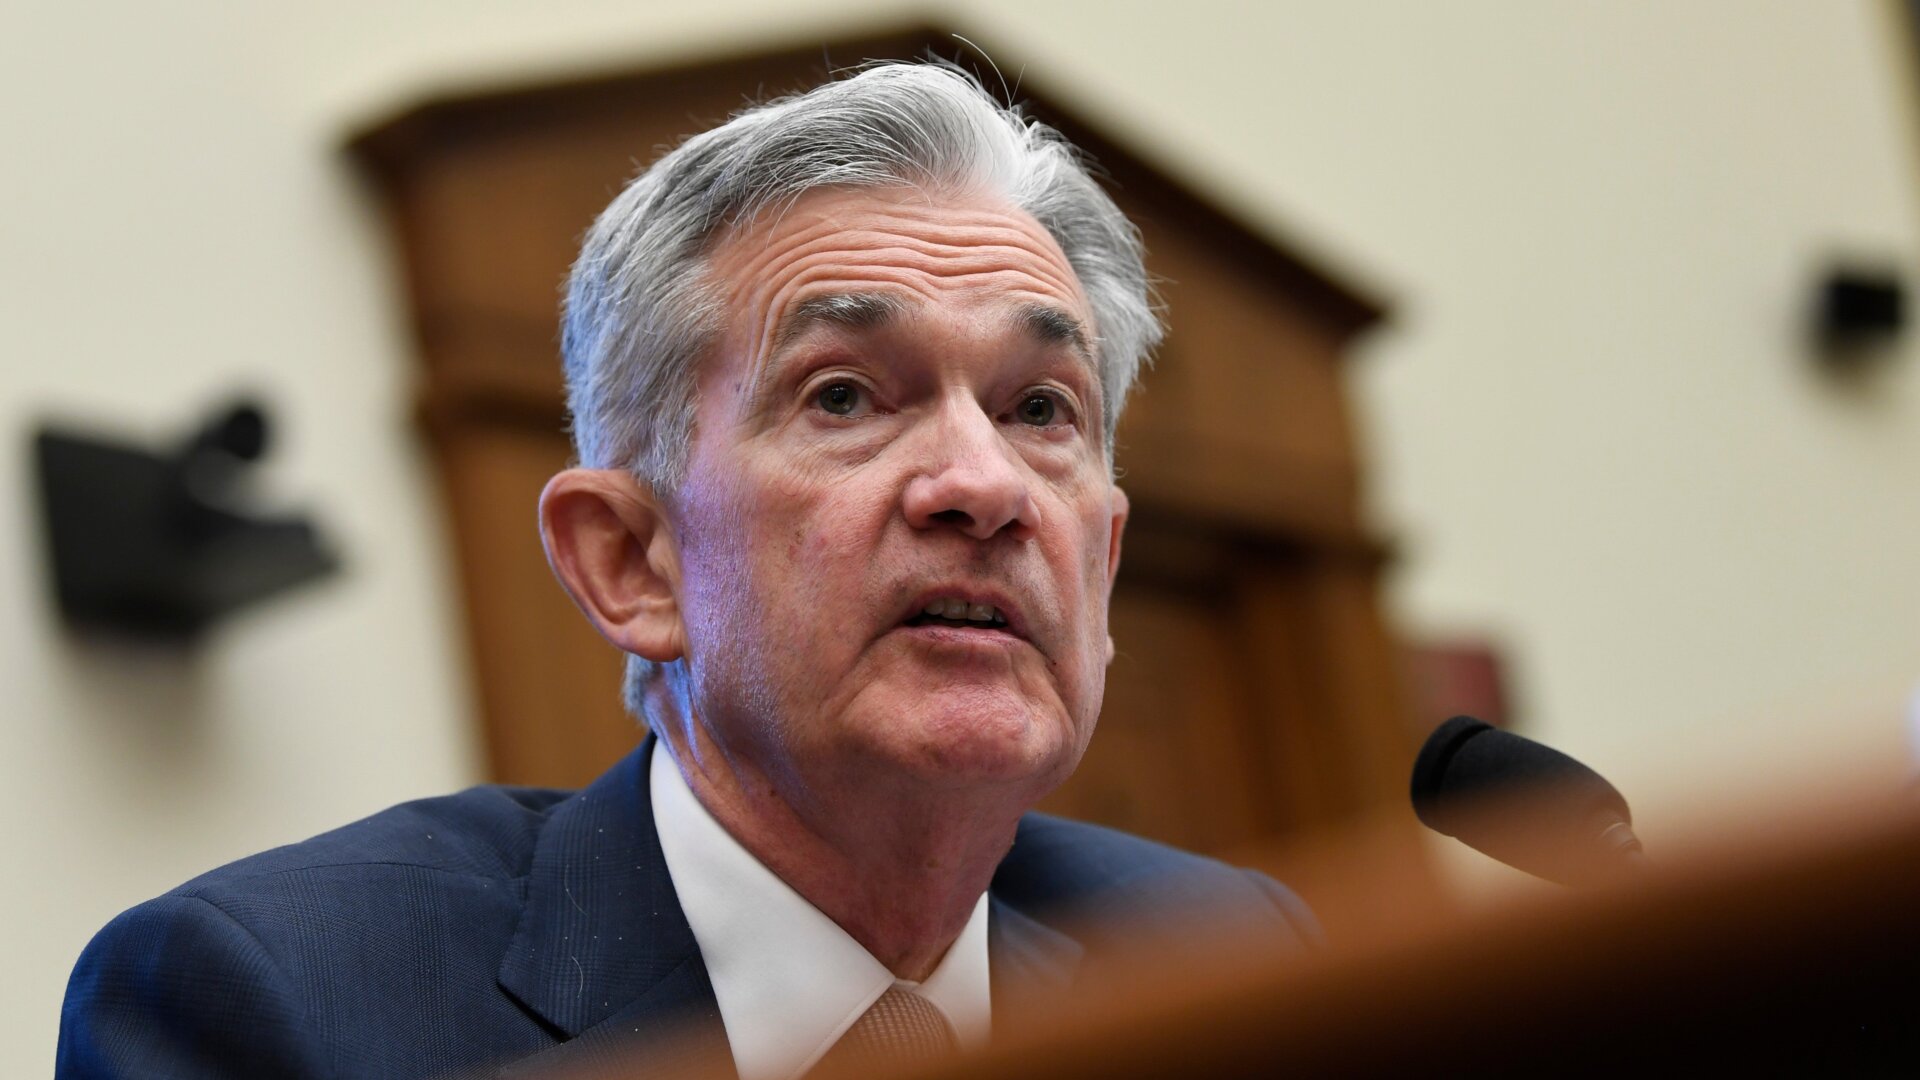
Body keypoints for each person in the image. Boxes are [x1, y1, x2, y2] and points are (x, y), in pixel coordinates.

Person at [57, 62, 1316, 1080]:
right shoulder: (284, 1007)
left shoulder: (1231, 960)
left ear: (1103, 551)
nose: (983, 486)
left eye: (1043, 409)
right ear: (632, 563)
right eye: (843, 395)